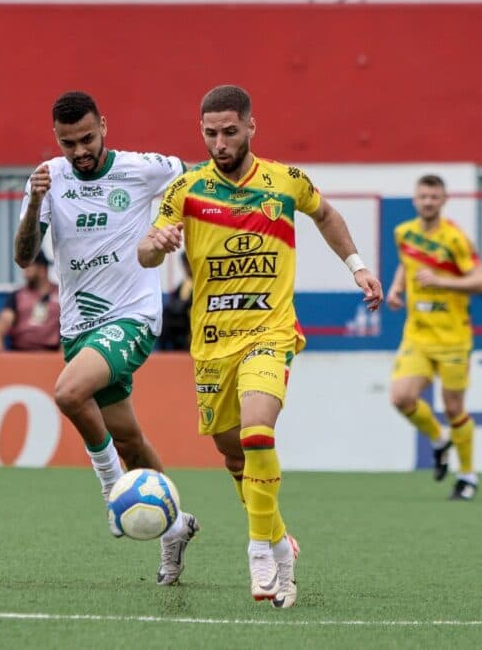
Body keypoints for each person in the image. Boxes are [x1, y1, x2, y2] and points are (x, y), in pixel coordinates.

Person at [138, 84, 383, 609]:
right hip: (211, 343)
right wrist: (153, 245)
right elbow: (145, 253)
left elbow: (327, 216)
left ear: (251, 126)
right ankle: (278, 537)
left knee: (255, 431)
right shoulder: (186, 189)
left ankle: (259, 551)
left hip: (270, 334)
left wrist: (358, 268)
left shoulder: (285, 182)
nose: (220, 142)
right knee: (232, 453)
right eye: (210, 133)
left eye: (229, 131)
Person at [13, 90, 199, 586]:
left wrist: (166, 226)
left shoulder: (141, 169)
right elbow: (25, 257)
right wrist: (33, 202)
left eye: (87, 138)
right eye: (68, 142)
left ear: (105, 128)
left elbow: (203, 178)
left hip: (133, 318)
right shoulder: (49, 180)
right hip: (79, 327)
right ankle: (175, 527)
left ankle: (112, 489)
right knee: (131, 441)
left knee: (68, 391)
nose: (79, 151)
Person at [385, 174, 482, 500]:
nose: (428, 201)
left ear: (444, 200)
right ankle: (439, 440)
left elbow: (481, 282)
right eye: (423, 196)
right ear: (415, 200)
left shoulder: (455, 239)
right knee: (401, 397)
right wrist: (397, 287)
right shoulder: (404, 233)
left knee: (454, 407)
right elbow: (407, 263)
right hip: (418, 334)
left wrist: (441, 282)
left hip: (454, 337)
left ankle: (468, 476)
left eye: (434, 197)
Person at [0, 251, 60, 353]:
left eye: (29, 266)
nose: (25, 271)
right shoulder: (17, 295)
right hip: (21, 352)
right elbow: (6, 317)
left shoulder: (61, 294)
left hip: (51, 352)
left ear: (42, 269)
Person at [157, 253, 192, 351]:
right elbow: (175, 300)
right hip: (181, 317)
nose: (186, 268)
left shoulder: (197, 283)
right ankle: (163, 349)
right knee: (166, 316)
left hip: (191, 317)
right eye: (185, 264)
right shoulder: (184, 283)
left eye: (188, 264)